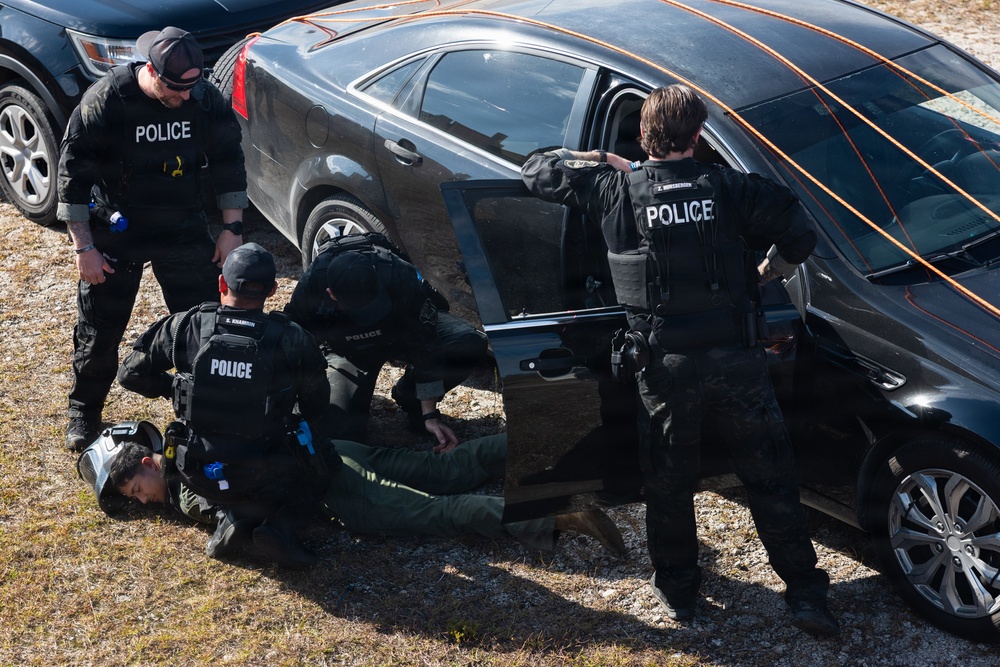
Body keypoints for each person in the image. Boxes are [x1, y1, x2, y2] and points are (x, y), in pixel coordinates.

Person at [520, 84, 839, 637]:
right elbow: (800, 234)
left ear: (644, 136)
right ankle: (807, 594)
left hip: (663, 367)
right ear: (697, 137)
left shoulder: (614, 189)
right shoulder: (733, 189)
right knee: (771, 481)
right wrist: (765, 275)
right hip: (738, 363)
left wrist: (601, 157)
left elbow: (535, 169)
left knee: (669, 484)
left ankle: (681, 594)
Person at [58, 26, 248, 451]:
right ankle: (84, 410)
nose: (185, 98)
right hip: (118, 229)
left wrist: (231, 230)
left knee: (205, 321)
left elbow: (228, 161)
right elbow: (73, 179)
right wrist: (84, 248)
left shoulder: (202, 97)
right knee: (100, 329)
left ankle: (211, 403)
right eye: (176, 89)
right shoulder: (107, 100)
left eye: (191, 88)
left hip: (180, 223)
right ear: (152, 71)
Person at [101, 430, 627, 565]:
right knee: (447, 468)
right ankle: (566, 441)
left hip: (330, 487)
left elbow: (231, 524)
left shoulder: (188, 488)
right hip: (327, 447)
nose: (145, 501)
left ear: (149, 464)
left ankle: (556, 515)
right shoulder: (195, 430)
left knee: (433, 512)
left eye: (138, 490)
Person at [116, 243, 329, 568]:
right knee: (325, 463)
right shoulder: (290, 337)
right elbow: (317, 403)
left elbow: (129, 374)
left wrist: (174, 388)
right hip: (266, 473)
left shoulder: (185, 326)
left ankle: (232, 519)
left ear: (221, 284)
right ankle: (280, 528)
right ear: (272, 290)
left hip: (200, 473)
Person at [283, 235, 489, 451]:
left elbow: (426, 344)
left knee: (468, 343)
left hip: (400, 334)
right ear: (331, 294)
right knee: (339, 435)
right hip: (350, 353)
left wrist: (429, 413)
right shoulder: (312, 286)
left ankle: (409, 396)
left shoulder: (397, 274)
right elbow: (295, 343)